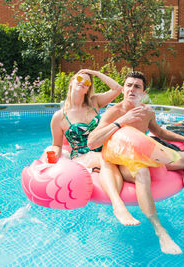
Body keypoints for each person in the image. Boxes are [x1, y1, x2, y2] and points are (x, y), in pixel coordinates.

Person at [88, 71, 184, 254]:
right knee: (142, 172)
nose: (132, 89)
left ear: (144, 92)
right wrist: (123, 121)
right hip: (124, 159)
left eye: (137, 86)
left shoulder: (147, 111)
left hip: (145, 153)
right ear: (122, 90)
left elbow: (159, 133)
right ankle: (160, 231)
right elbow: (92, 142)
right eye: (129, 85)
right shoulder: (114, 112)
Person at [49, 69, 140, 226]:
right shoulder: (59, 116)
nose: (83, 82)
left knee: (125, 163)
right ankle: (118, 207)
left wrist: (94, 73)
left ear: (88, 89)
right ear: (71, 81)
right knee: (105, 159)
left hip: (103, 148)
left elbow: (118, 89)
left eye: (87, 83)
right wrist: (52, 156)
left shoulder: (94, 103)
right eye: (79, 78)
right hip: (82, 156)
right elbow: (57, 144)